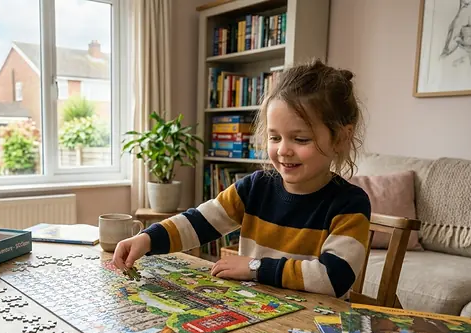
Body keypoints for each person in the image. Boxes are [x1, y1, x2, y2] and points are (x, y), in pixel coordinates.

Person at [113, 59, 371, 299]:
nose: (283, 150)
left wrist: (254, 267)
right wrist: (147, 239)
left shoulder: (350, 203)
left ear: (340, 138)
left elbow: (334, 277)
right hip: (255, 312)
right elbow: (199, 222)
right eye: (274, 137)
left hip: (315, 326)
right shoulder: (255, 187)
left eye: (301, 139)